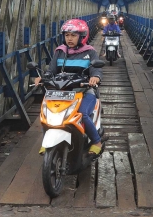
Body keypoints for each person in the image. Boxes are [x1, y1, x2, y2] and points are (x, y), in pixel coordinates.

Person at [34, 19, 103, 155]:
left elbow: (96, 70)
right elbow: (51, 70)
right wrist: (43, 77)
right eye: (67, 35)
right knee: (47, 113)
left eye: (73, 35)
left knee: (82, 114)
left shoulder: (90, 52)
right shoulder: (60, 52)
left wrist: (96, 77)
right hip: (62, 91)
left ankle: (96, 141)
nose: (69, 38)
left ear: (82, 37)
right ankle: (46, 141)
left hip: (84, 91)